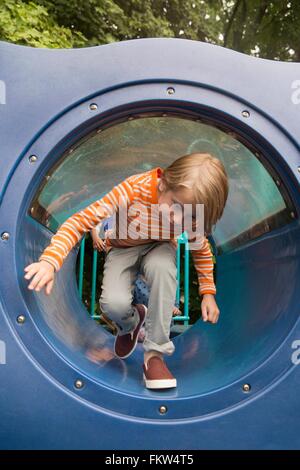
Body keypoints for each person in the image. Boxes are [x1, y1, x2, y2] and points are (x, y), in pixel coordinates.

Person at [24, 153, 229, 390]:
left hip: (160, 246)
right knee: (113, 304)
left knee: (163, 269)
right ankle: (131, 323)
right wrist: (50, 262)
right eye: (176, 206)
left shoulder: (188, 219)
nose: (179, 220)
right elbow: (80, 221)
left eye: (192, 216)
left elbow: (201, 251)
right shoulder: (133, 190)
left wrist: (208, 293)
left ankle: (155, 357)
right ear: (162, 183)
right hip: (123, 247)